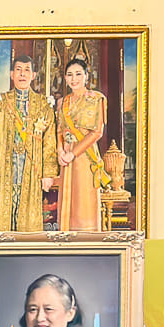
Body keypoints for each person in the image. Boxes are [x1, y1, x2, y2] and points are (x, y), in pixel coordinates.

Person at [0, 53, 56, 233]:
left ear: (33, 75)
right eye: (18, 70)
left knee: (28, 220)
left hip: (31, 171)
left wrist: (48, 174)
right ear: (12, 74)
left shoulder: (43, 105)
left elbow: (50, 141)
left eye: (27, 70)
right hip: (4, 169)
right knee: (2, 219)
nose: (22, 74)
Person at [53, 57, 108, 233]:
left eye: (78, 74)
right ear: (65, 78)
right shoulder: (62, 102)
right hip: (66, 157)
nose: (74, 78)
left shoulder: (96, 99)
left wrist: (73, 153)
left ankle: (87, 239)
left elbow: (97, 132)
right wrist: (60, 151)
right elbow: (59, 130)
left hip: (85, 156)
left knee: (84, 200)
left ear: (86, 76)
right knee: (68, 201)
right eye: (69, 75)